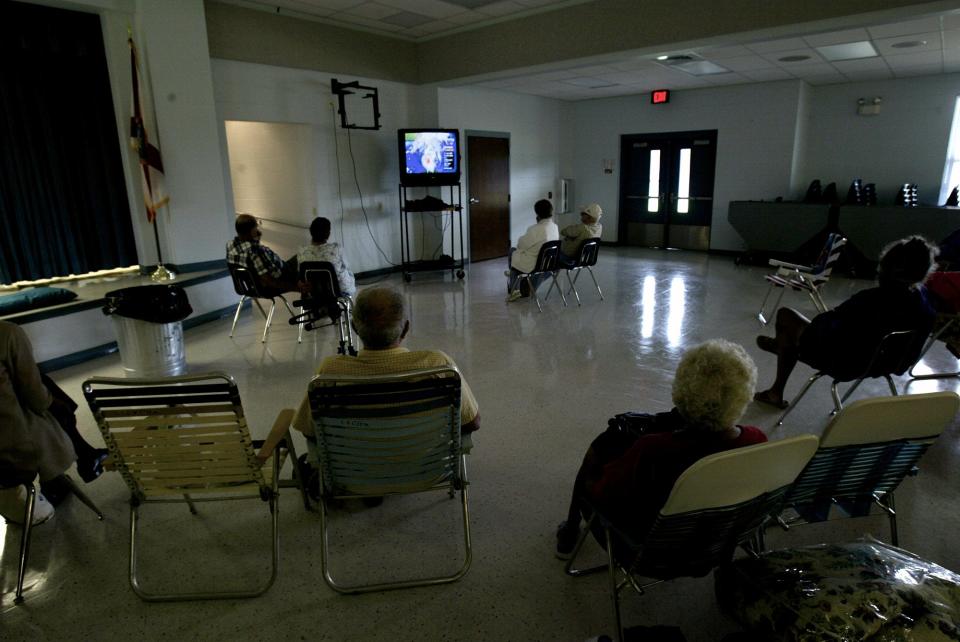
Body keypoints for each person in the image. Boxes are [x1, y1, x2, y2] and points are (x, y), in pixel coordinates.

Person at [555, 339, 766, 559]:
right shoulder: (756, 441)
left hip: (649, 553)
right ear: (745, 393)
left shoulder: (654, 449)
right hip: (715, 541)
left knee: (595, 458)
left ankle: (571, 529)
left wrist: (590, 479)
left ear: (682, 388)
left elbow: (603, 494)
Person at [285, 287, 480, 498]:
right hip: (428, 472)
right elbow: (472, 423)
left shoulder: (330, 372)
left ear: (354, 328)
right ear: (405, 329)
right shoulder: (438, 366)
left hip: (352, 479)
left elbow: (309, 429)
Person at [753, 236, 937, 409]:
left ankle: (778, 372)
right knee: (792, 337)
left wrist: (827, 320)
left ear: (886, 266)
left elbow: (825, 330)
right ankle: (781, 353)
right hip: (887, 364)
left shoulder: (869, 301)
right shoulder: (925, 305)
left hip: (845, 362)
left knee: (786, 318)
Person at [0, 321, 107, 525]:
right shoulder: (7, 334)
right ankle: (78, 460)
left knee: (42, 384)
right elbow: (36, 398)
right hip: (12, 452)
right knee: (53, 403)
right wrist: (53, 403)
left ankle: (84, 456)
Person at [225, 213, 300, 294]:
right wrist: (295, 288)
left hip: (250, 286)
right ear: (250, 231)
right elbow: (268, 280)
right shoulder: (255, 251)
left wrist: (255, 240)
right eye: (255, 228)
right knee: (304, 257)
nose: (257, 230)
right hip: (279, 278)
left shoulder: (230, 245)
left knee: (302, 257)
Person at [506, 199, 559, 302]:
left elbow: (521, 244)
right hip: (548, 263)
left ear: (537, 213)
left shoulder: (535, 229)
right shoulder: (554, 227)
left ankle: (514, 286)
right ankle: (523, 282)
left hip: (534, 264)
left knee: (513, 251)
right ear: (551, 211)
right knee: (521, 254)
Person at [296, 216, 356, 297]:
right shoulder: (336, 248)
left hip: (312, 293)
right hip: (337, 291)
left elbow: (300, 273)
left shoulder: (301, 251)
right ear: (328, 234)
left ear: (311, 232)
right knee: (347, 271)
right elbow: (347, 267)